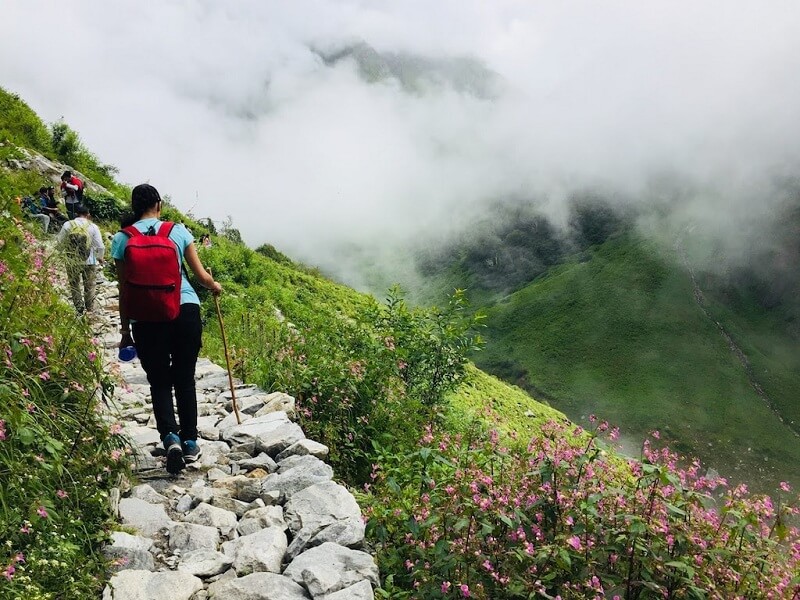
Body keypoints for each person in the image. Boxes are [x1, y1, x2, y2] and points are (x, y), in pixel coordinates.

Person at [111, 184, 222, 475]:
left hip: (146, 318)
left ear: (134, 207)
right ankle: (190, 443)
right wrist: (215, 285)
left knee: (159, 380)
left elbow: (124, 290)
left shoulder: (123, 239)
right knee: (184, 377)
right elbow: (200, 276)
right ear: (159, 205)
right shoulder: (178, 231)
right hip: (184, 308)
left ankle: (169, 438)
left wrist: (125, 331)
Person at [57, 204, 104, 314]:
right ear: (88, 215)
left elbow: (60, 242)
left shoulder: (68, 225)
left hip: (71, 260)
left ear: (75, 214)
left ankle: (79, 308)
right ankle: (90, 308)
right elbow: (100, 246)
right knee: (89, 285)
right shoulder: (93, 226)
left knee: (74, 284)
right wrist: (100, 257)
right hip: (89, 260)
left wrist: (59, 253)